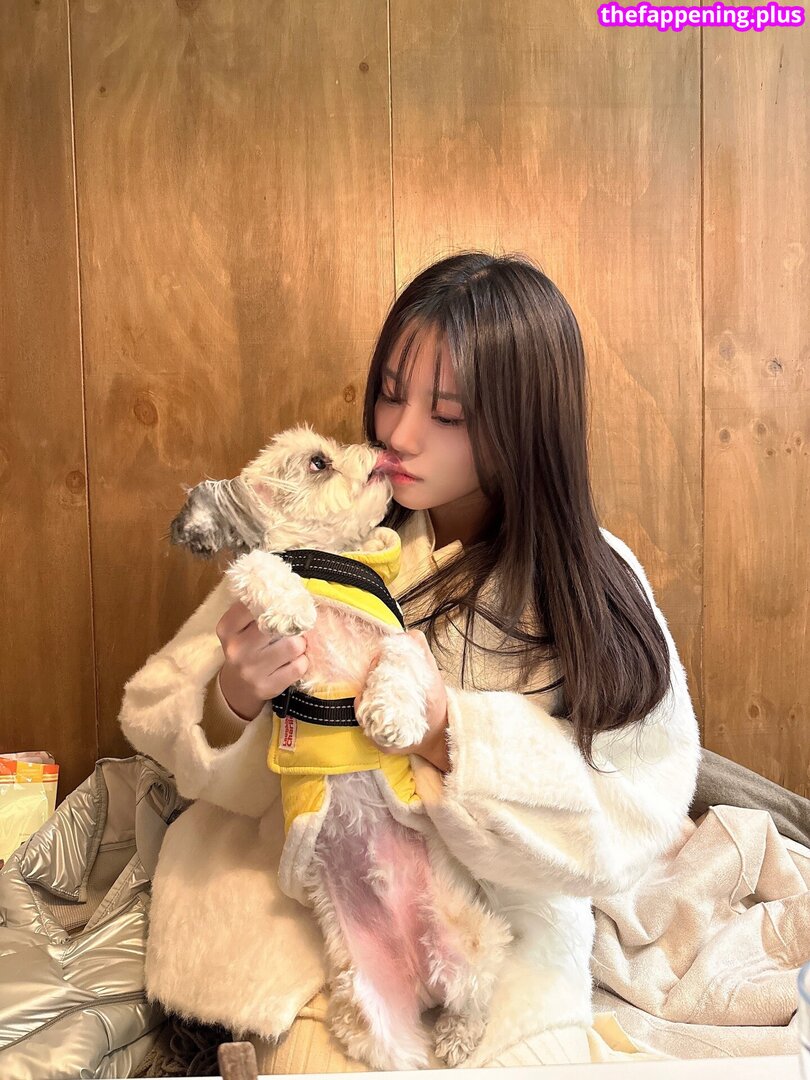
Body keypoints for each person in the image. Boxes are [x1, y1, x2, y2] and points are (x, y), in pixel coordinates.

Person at [119, 250, 701, 1071]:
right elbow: (159, 713)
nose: (398, 434)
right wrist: (232, 703)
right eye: (391, 392)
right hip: (303, 899)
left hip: (498, 926)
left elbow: (634, 809)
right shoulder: (326, 523)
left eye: (449, 412)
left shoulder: (589, 583)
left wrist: (446, 734)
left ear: (526, 422)